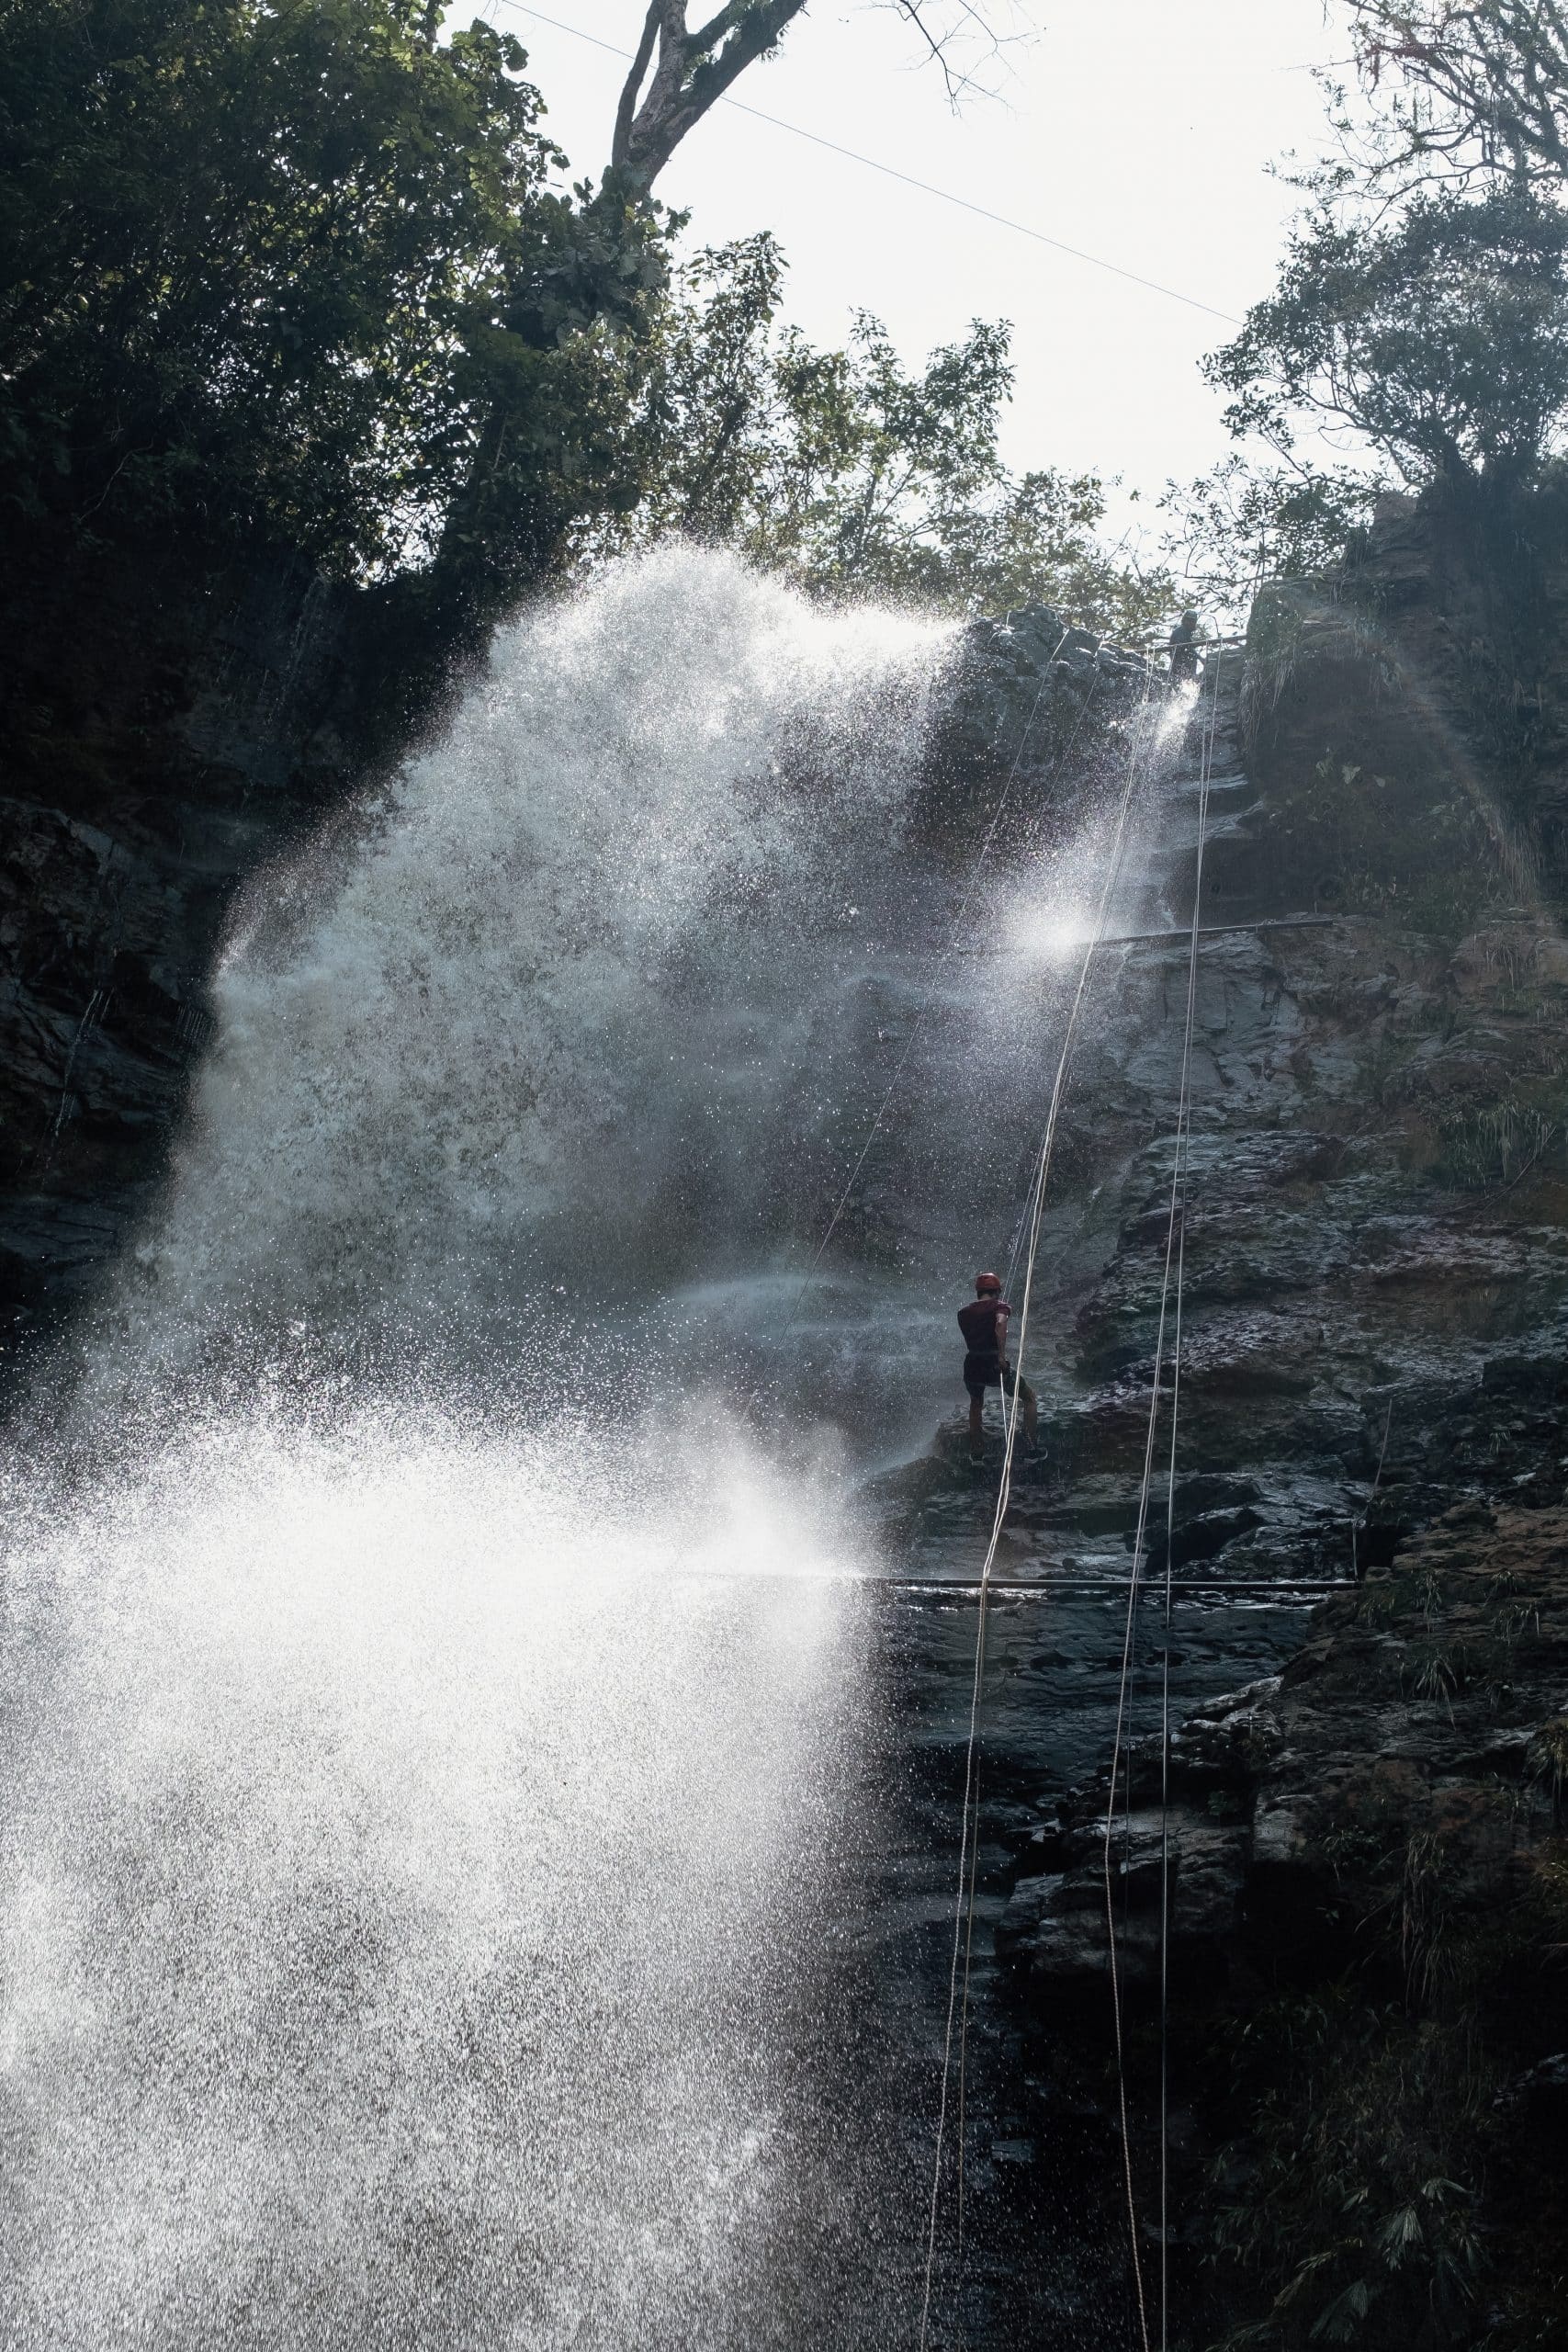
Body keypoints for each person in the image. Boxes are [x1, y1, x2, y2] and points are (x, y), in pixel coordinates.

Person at [957, 1271, 1038, 1464]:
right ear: (997, 1291)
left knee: (976, 1403)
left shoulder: (963, 1313)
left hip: (971, 1365)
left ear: (978, 1292)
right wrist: (1001, 1357)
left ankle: (977, 1454)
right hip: (993, 1364)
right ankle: (1032, 1448)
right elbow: (1000, 1324)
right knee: (1029, 1397)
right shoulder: (1000, 1307)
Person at [1168, 608, 1200, 683]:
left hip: (1186, 667)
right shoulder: (1180, 631)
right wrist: (1200, 658)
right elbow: (1185, 646)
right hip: (1180, 665)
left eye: (1193, 621)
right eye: (1189, 621)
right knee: (1178, 682)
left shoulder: (1187, 634)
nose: (1191, 623)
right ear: (1184, 621)